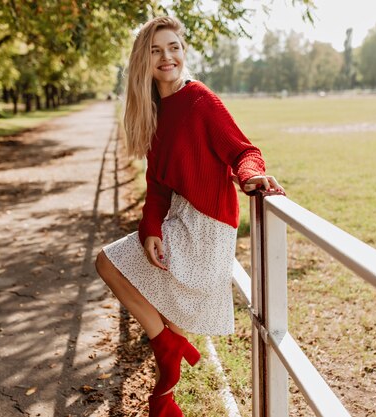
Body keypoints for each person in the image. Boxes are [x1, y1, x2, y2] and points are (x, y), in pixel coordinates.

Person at [95, 15, 284, 416]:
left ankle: (167, 347)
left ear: (184, 53)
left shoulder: (200, 100)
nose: (167, 57)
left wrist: (250, 177)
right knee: (124, 274)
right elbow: (158, 186)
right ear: (143, 62)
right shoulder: (155, 111)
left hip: (206, 228)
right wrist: (149, 229)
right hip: (175, 221)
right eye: (156, 50)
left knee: (111, 265)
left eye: (174, 47)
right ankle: (164, 397)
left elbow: (243, 151)